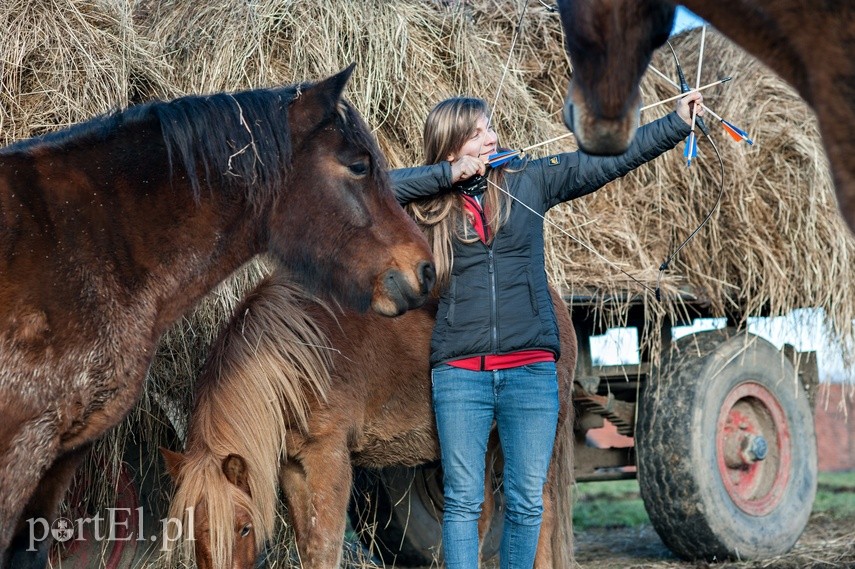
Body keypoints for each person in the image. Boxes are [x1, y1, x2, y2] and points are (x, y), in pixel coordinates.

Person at [390, 92, 704, 569]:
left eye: (490, 127)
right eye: (477, 132)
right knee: (461, 502)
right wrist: (445, 177)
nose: (492, 137)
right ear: (451, 146)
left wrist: (675, 124)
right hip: (459, 375)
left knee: (525, 501)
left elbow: (606, 161)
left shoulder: (527, 181)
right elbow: (370, 191)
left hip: (530, 374)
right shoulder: (428, 209)